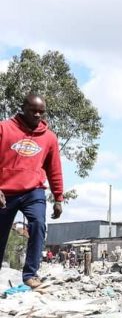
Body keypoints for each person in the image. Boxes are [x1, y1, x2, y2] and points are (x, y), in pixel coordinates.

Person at [0, 94, 64, 289]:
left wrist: (58, 197)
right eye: (32, 110)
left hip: (33, 191)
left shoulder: (49, 137)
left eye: (41, 112)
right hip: (5, 191)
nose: (37, 114)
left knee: (38, 224)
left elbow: (54, 168)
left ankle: (30, 274)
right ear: (23, 108)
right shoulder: (4, 128)